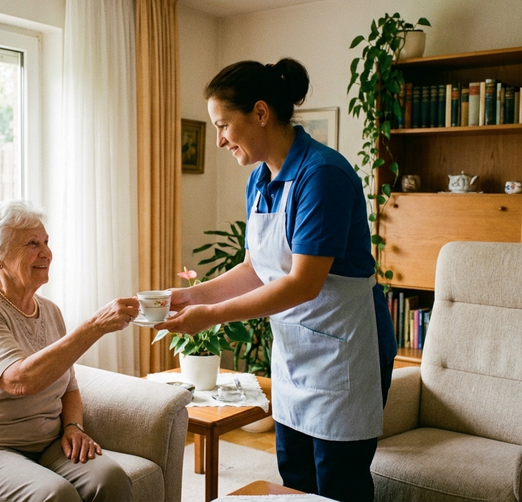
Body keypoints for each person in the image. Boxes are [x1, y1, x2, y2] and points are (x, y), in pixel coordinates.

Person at [155, 58, 394, 502]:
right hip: (296, 357)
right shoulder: (259, 179)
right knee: (295, 486)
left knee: (339, 488)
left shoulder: (322, 175)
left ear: (261, 113)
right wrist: (186, 296)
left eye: (224, 124)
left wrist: (209, 316)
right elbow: (255, 269)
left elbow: (302, 283)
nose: (221, 139)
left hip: (343, 355)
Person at [0, 199, 138, 502]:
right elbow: (19, 381)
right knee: (54, 496)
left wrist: (72, 426)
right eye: (32, 244)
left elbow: (69, 387)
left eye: (46, 241)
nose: (46, 253)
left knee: (110, 480)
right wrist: (94, 325)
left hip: (45, 445)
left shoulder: (50, 311)